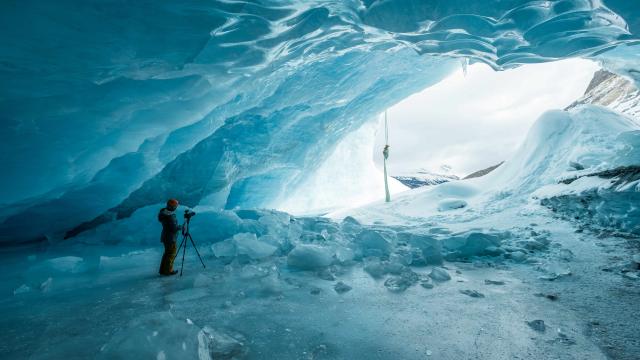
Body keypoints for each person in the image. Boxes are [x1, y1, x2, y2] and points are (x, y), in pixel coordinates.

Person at [158, 198, 182, 276]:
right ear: (173, 207)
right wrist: (180, 227)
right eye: (175, 206)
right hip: (170, 238)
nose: (176, 207)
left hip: (165, 236)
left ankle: (163, 270)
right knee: (171, 254)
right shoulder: (170, 216)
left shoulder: (164, 213)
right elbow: (174, 228)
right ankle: (168, 270)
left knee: (167, 254)